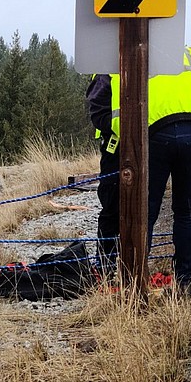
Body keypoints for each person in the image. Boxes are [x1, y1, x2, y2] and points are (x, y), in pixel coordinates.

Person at [87, 48, 191, 291]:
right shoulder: (187, 54)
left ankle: (134, 279)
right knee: (188, 211)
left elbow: (112, 111)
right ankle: (184, 280)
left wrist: (127, 141)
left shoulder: (123, 53)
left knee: (145, 211)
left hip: (155, 134)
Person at [85, 72, 119, 272]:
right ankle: (106, 264)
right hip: (114, 147)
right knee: (111, 206)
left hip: (148, 144)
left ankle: (131, 261)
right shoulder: (105, 72)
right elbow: (98, 113)